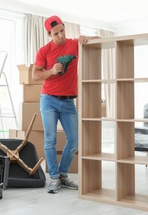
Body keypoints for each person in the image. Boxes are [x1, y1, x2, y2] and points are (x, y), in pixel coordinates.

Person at [32, 15, 99, 193]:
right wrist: (52, 71)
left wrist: (89, 38)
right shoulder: (44, 51)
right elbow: (35, 76)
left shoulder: (73, 44)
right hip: (49, 100)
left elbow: (100, 41)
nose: (61, 35)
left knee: (74, 141)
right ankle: (54, 178)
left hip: (69, 101)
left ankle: (62, 175)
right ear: (49, 34)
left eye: (62, 30)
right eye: (56, 33)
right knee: (50, 140)